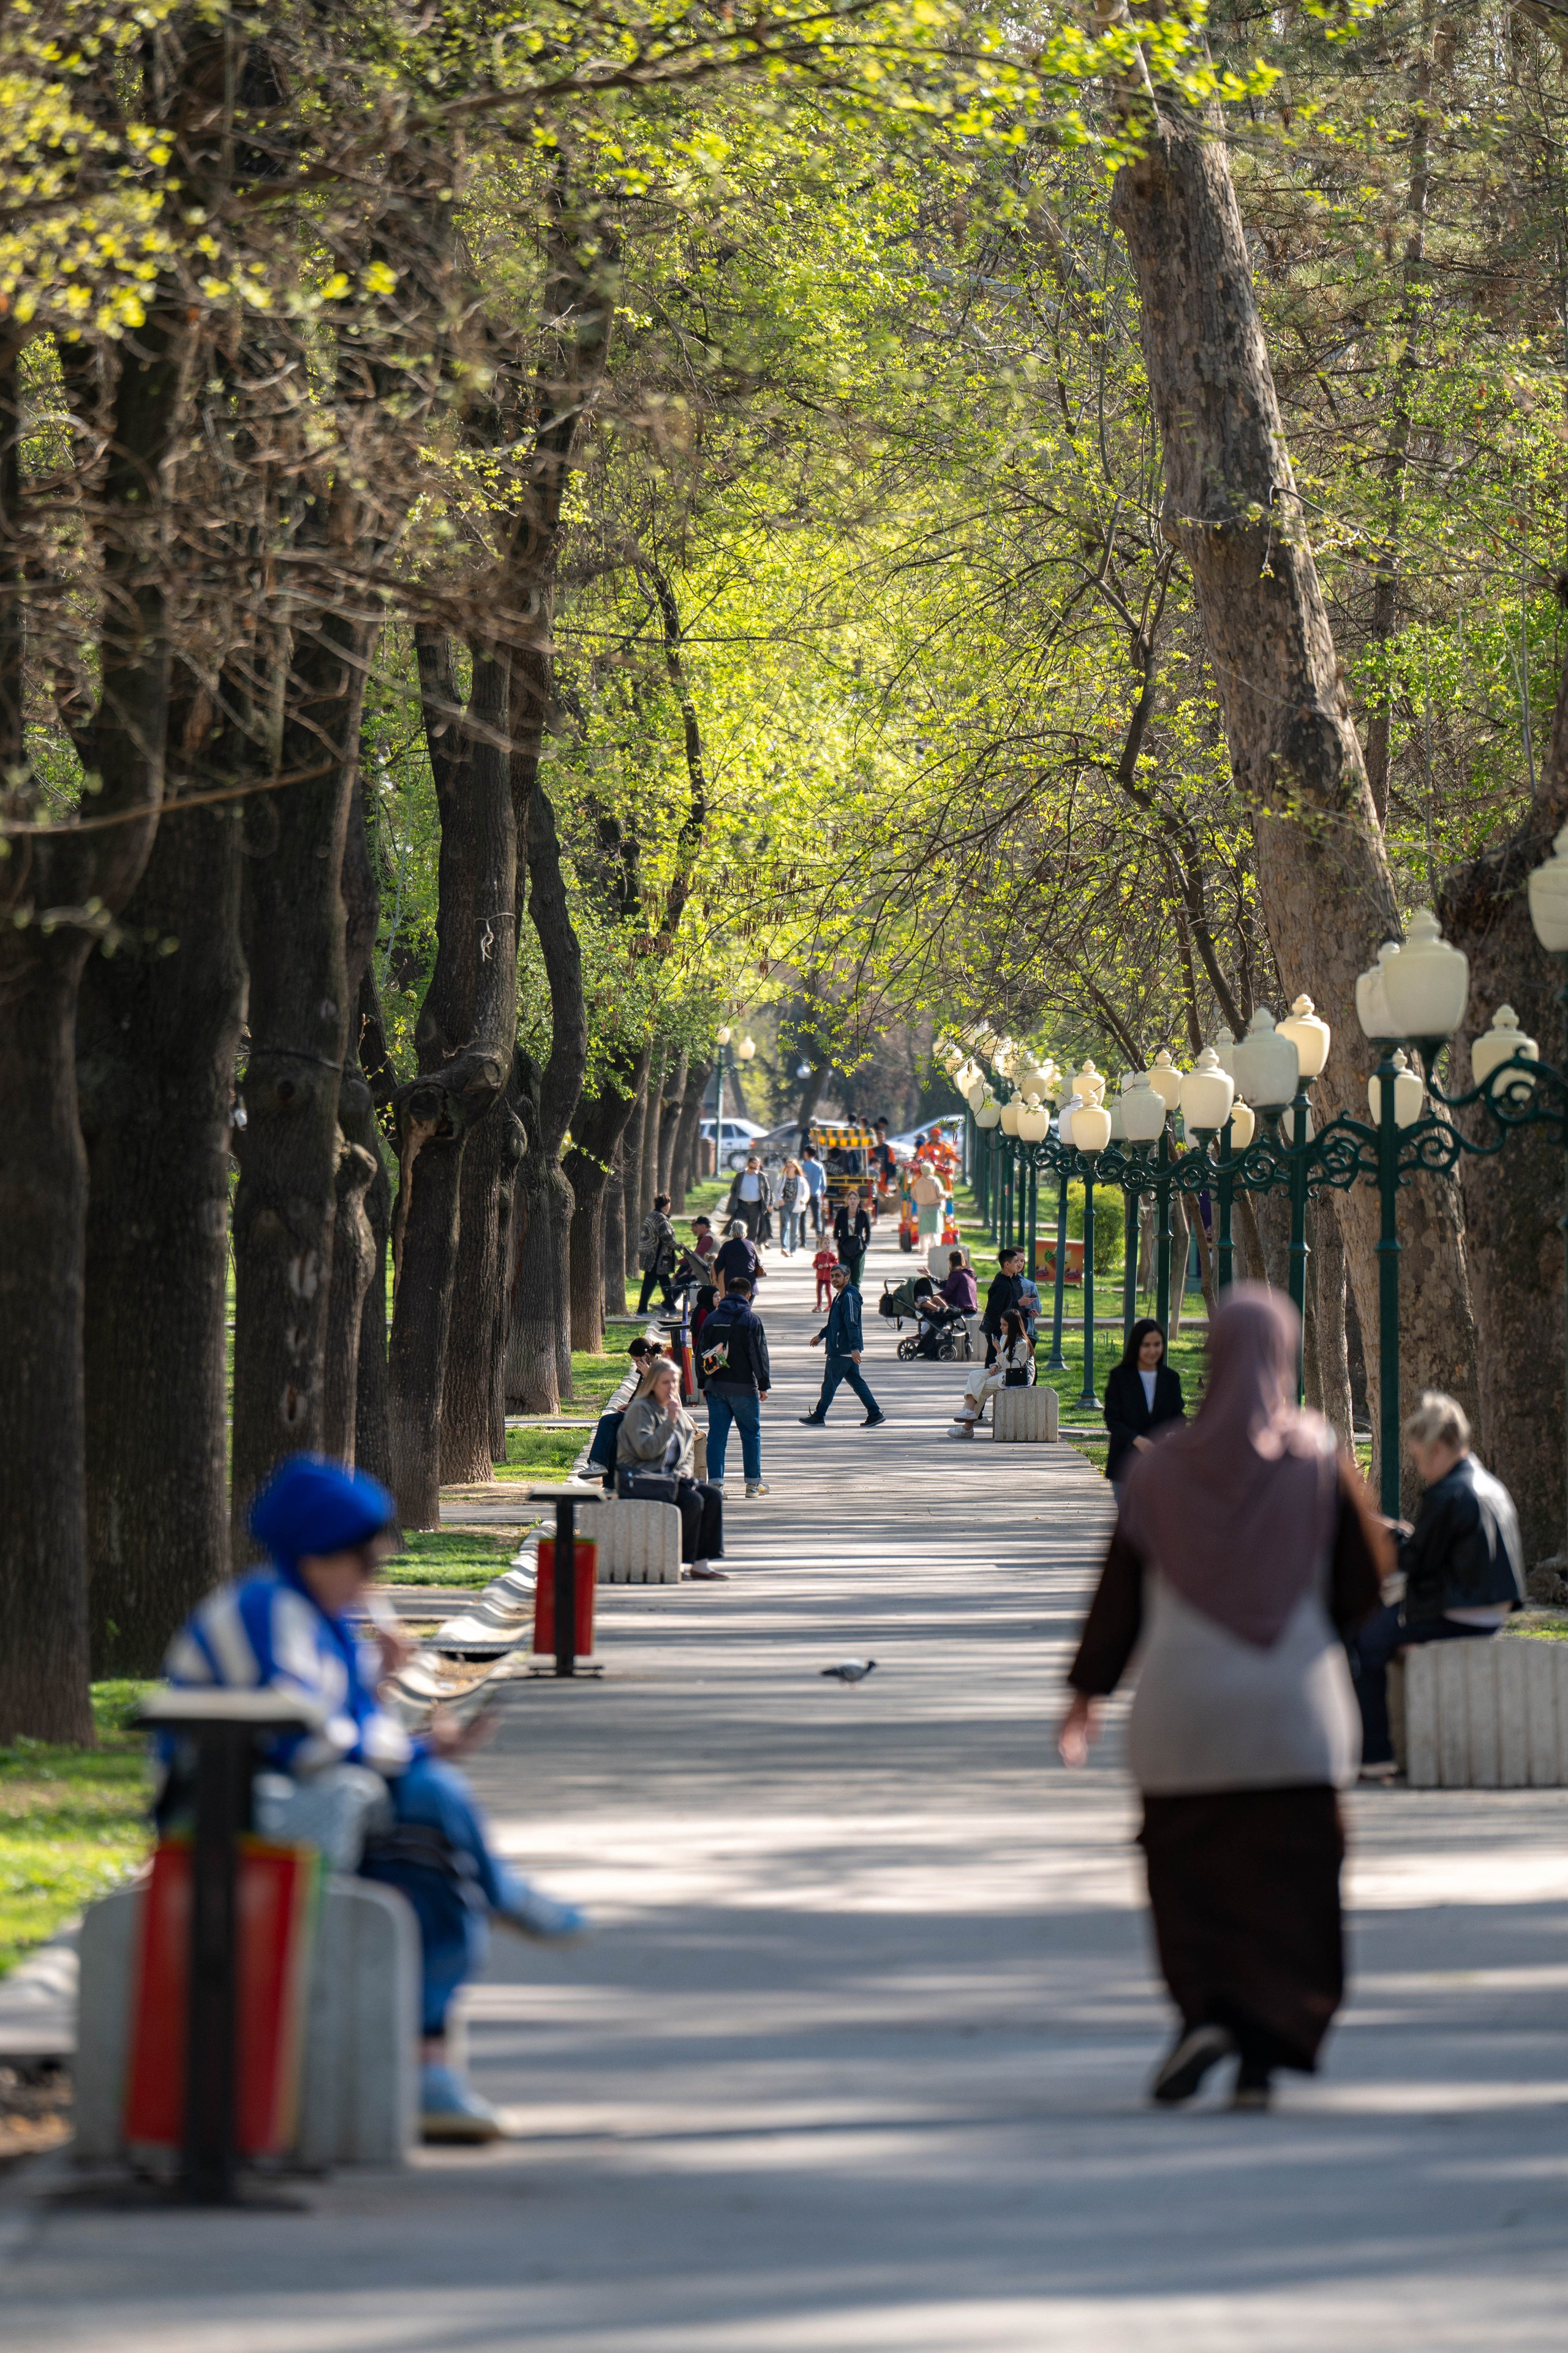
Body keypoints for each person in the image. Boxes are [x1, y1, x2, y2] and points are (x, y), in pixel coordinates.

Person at [160, 1454, 587, 2145]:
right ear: (319, 1556)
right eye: (363, 1564)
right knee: (429, 1820)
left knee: (429, 1843)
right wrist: (408, 1747)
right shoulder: (269, 1612)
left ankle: (428, 2063)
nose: (371, 1581)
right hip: (227, 1813)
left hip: (281, 1799)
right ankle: (435, 2045)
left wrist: (382, 1688)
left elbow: (336, 1731)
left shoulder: (303, 1612)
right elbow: (310, 1742)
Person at [1060, 1286, 1387, 2112]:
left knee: (1189, 1873)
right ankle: (1261, 2050)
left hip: (1183, 1714)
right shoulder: (1318, 1463)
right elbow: (1363, 1589)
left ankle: (1205, 2012)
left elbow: (1118, 1600)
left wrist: (1084, 1696)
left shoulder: (1161, 1469)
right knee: (1292, 1882)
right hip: (1294, 1713)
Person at [1349, 1391, 1525, 1782]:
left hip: (1457, 1612)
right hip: (1489, 1612)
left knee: (1363, 1637)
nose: (1421, 1469)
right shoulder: (1489, 1485)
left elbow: (1414, 1563)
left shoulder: (1449, 1492)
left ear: (1439, 1447)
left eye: (1419, 1458)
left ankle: (1374, 1753)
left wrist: (1389, 1534)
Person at [616, 1358, 728, 1579]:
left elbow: (688, 1450)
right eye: (665, 1382)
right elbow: (646, 1450)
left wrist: (685, 1471)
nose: (671, 1388)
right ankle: (676, 1562)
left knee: (712, 1495)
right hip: (642, 1479)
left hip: (669, 1479)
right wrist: (670, 1421)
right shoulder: (642, 1409)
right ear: (653, 1384)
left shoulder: (676, 1411)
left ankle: (701, 1563)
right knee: (692, 1501)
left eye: (675, 1382)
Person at [699, 1271, 772, 1495]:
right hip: (744, 1389)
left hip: (716, 1387)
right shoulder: (751, 1320)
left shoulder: (712, 1319)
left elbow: (701, 1353)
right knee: (751, 1434)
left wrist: (703, 1383)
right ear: (749, 1295)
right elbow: (758, 1355)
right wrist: (763, 1384)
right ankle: (752, 1484)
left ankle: (717, 1486)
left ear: (727, 1293)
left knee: (717, 1436)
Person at [801, 1261, 886, 1429]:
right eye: (832, 1276)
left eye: (838, 1276)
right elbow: (835, 1323)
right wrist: (821, 1335)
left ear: (847, 1278)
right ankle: (875, 1413)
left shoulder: (848, 1296)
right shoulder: (840, 1296)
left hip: (842, 1350)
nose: (834, 1279)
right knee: (857, 1382)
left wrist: (854, 1348)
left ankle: (819, 1416)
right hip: (842, 1348)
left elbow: (852, 1323)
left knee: (829, 1384)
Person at [1103, 1319, 1185, 1484]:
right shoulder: (1120, 1377)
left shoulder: (1171, 1379)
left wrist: (1174, 1434)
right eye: (1146, 1345)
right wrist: (1136, 1440)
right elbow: (1113, 1420)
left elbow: (1179, 1418)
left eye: (1157, 1344)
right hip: (1125, 1465)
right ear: (1136, 1346)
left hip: (1162, 1465)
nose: (1152, 1351)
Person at [587, 1337, 661, 1486]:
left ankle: (598, 1463)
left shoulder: (659, 1369)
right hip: (640, 1414)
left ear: (646, 1357)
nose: (636, 1365)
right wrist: (632, 1404)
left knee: (607, 1421)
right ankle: (609, 1483)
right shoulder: (647, 1370)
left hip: (653, 1418)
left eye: (636, 1361)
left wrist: (648, 1374)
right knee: (616, 1434)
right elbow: (644, 1396)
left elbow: (661, 1396)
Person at [949, 1305, 1033, 1435]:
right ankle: (969, 1411)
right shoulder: (1005, 1338)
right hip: (1005, 1371)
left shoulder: (1023, 1344)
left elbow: (1014, 1368)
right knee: (975, 1376)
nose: (1001, 1328)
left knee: (982, 1386)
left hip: (1018, 1376)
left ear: (1013, 1326)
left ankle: (967, 1428)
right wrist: (995, 1365)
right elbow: (1003, 1361)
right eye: (1001, 1324)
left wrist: (999, 1351)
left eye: (1004, 1325)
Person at [917, 1250, 977, 1359]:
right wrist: (930, 1276)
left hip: (961, 1308)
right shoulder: (968, 1274)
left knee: (934, 1316)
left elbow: (947, 1291)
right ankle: (926, 1341)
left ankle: (923, 1340)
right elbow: (946, 1285)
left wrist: (932, 1299)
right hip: (971, 1310)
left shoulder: (956, 1273)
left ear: (951, 1262)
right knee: (938, 1311)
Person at [981, 1246, 1025, 1363]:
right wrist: (1002, 1328)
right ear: (1007, 1265)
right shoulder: (1003, 1285)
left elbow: (1007, 1304)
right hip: (998, 1331)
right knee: (993, 1360)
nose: (1019, 1265)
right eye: (1015, 1262)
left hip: (1002, 1330)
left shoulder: (1008, 1280)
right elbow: (993, 1310)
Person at [636, 1192, 678, 1313]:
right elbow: (667, 1237)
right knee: (650, 1282)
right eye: (669, 1204)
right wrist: (678, 1246)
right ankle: (642, 1310)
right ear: (665, 1205)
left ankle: (670, 1307)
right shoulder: (660, 1218)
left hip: (652, 1255)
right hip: (656, 1257)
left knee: (663, 1280)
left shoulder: (652, 1215)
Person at [725, 1153, 773, 1242]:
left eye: (756, 1168)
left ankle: (750, 1248)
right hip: (742, 1206)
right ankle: (739, 1247)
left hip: (756, 1207)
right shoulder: (740, 1176)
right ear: (748, 1165)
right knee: (739, 1227)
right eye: (751, 1168)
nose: (753, 1170)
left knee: (753, 1230)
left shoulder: (762, 1177)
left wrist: (767, 1204)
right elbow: (734, 1189)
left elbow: (768, 1191)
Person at [714, 1218, 763, 1295]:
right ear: (745, 1231)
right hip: (749, 1284)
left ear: (732, 1231)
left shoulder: (727, 1246)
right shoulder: (750, 1245)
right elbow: (758, 1263)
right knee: (746, 1306)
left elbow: (718, 1265)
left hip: (732, 1284)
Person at [834, 1193, 872, 1288]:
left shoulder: (863, 1214)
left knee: (856, 1279)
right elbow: (836, 1229)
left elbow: (868, 1231)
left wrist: (866, 1244)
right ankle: (846, 1300)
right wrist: (837, 1241)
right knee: (845, 1277)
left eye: (855, 1199)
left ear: (858, 1201)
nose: (853, 1201)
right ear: (847, 1200)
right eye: (850, 1198)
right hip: (844, 1247)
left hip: (858, 1248)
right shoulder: (842, 1213)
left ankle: (855, 1301)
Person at [778, 1157, 807, 1256]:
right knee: (785, 1226)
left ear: (795, 1168)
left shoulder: (800, 1179)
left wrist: (803, 1200)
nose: (789, 1168)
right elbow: (776, 1191)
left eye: (791, 1167)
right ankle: (784, 1248)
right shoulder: (783, 1178)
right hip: (785, 1204)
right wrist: (779, 1199)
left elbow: (806, 1192)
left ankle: (793, 1250)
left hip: (796, 1205)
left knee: (794, 1228)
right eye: (788, 1167)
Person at [911, 1158, 944, 1244]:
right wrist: (947, 1194)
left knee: (924, 1230)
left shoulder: (918, 1182)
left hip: (922, 1208)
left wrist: (919, 1200)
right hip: (934, 1208)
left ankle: (923, 1248)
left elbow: (913, 1193)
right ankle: (934, 1248)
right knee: (934, 1229)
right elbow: (940, 1193)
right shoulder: (934, 1180)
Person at [801, 1142, 827, 1239]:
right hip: (816, 1194)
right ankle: (819, 1235)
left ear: (806, 1154)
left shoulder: (803, 1167)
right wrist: (821, 1192)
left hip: (805, 1195)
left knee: (802, 1217)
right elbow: (824, 1183)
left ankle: (803, 1239)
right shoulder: (820, 1166)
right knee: (817, 1217)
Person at [812, 1237, 839, 1311]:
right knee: (819, 1292)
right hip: (820, 1277)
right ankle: (819, 1306)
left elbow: (836, 1262)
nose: (827, 1245)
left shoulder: (831, 1255)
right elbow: (814, 1264)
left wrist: (829, 1265)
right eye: (825, 1243)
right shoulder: (819, 1255)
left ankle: (830, 1305)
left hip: (828, 1277)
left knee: (828, 1292)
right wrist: (818, 1266)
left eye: (828, 1243)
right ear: (821, 1246)